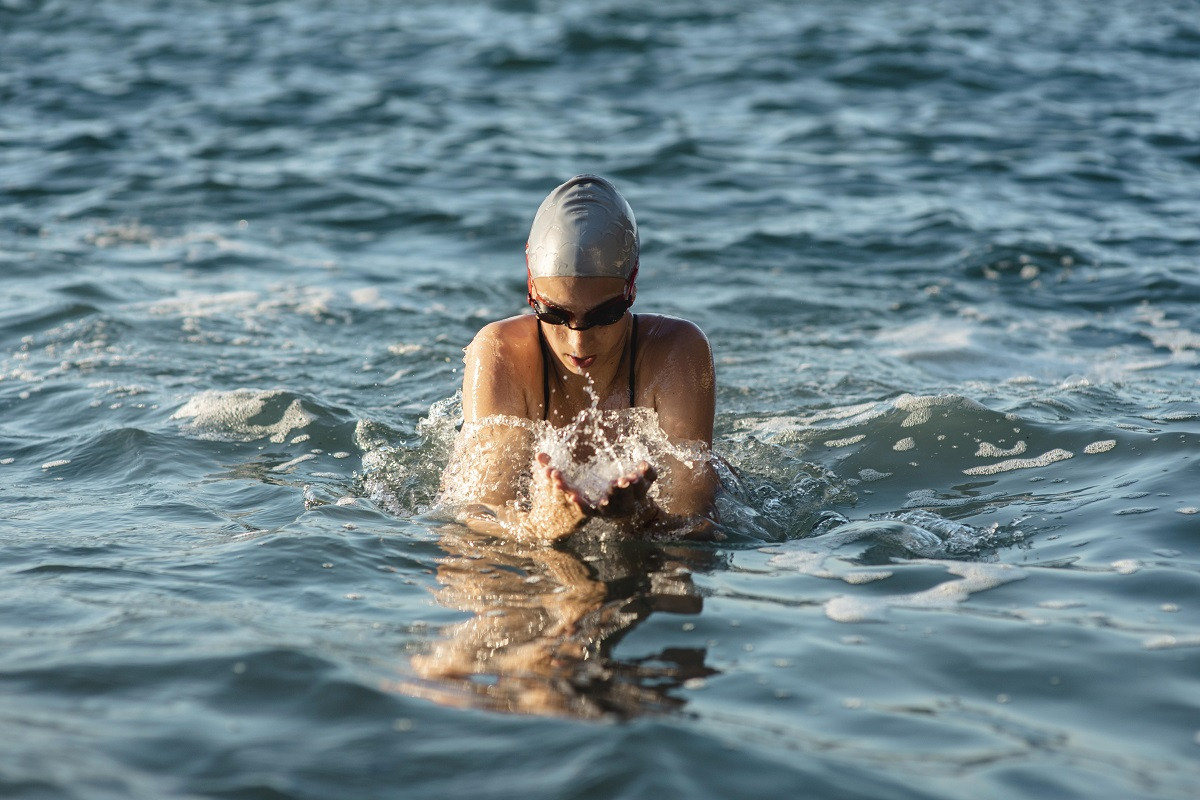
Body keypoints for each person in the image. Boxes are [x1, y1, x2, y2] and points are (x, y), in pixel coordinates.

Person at [448, 174, 718, 540]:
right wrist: (540, 527)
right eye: (554, 314)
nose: (578, 342)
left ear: (632, 287)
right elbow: (479, 510)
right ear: (531, 289)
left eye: (605, 315)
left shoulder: (675, 352)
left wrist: (645, 520)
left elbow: (697, 514)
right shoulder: (501, 353)